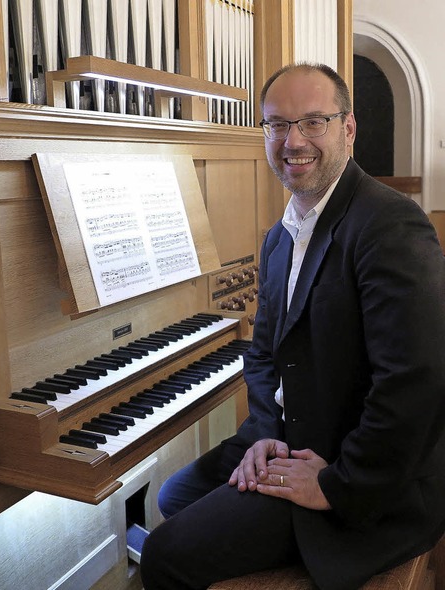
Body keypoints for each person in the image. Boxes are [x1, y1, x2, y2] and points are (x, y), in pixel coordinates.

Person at [139, 63, 445, 590]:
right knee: (174, 495)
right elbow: (263, 357)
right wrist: (263, 435)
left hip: (362, 470)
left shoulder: (389, 224)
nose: (293, 141)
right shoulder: (281, 236)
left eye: (313, 122)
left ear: (348, 129)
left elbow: (417, 381)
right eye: (277, 125)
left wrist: (335, 484)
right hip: (292, 436)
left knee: (164, 554)